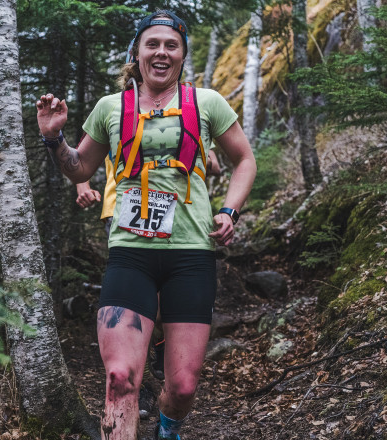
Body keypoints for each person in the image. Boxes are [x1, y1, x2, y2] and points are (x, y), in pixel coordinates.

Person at [36, 10, 256, 440]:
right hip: (130, 255)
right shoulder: (110, 108)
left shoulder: (207, 102)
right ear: (135, 53)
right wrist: (54, 138)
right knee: (119, 378)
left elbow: (245, 160)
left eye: (171, 45)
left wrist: (229, 210)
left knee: (183, 385)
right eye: (151, 44)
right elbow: (79, 170)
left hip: (191, 253)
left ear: (182, 54)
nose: (161, 52)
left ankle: (168, 429)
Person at [75, 147, 222, 381]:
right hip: (124, 206)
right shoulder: (114, 110)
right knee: (136, 295)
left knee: (166, 294)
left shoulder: (188, 112)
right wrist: (83, 187)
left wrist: (210, 162)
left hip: (175, 208)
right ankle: (141, 377)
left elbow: (211, 160)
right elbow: (82, 156)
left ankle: (162, 348)